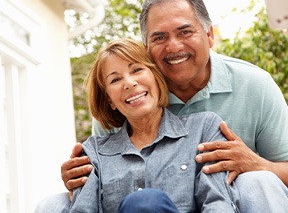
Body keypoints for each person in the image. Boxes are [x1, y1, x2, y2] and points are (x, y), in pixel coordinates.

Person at [35, 0, 288, 212]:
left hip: (231, 200)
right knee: (52, 205)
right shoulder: (132, 97)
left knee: (257, 181)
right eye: (159, 37)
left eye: (185, 32)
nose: (173, 46)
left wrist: (259, 164)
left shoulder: (253, 86)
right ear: (146, 47)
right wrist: (80, 179)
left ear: (209, 35)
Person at [67, 38, 285, 212]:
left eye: (137, 70)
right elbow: (82, 210)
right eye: (115, 80)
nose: (129, 83)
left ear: (156, 78)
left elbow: (217, 203)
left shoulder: (204, 129)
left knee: (147, 202)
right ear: (109, 101)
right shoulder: (95, 152)